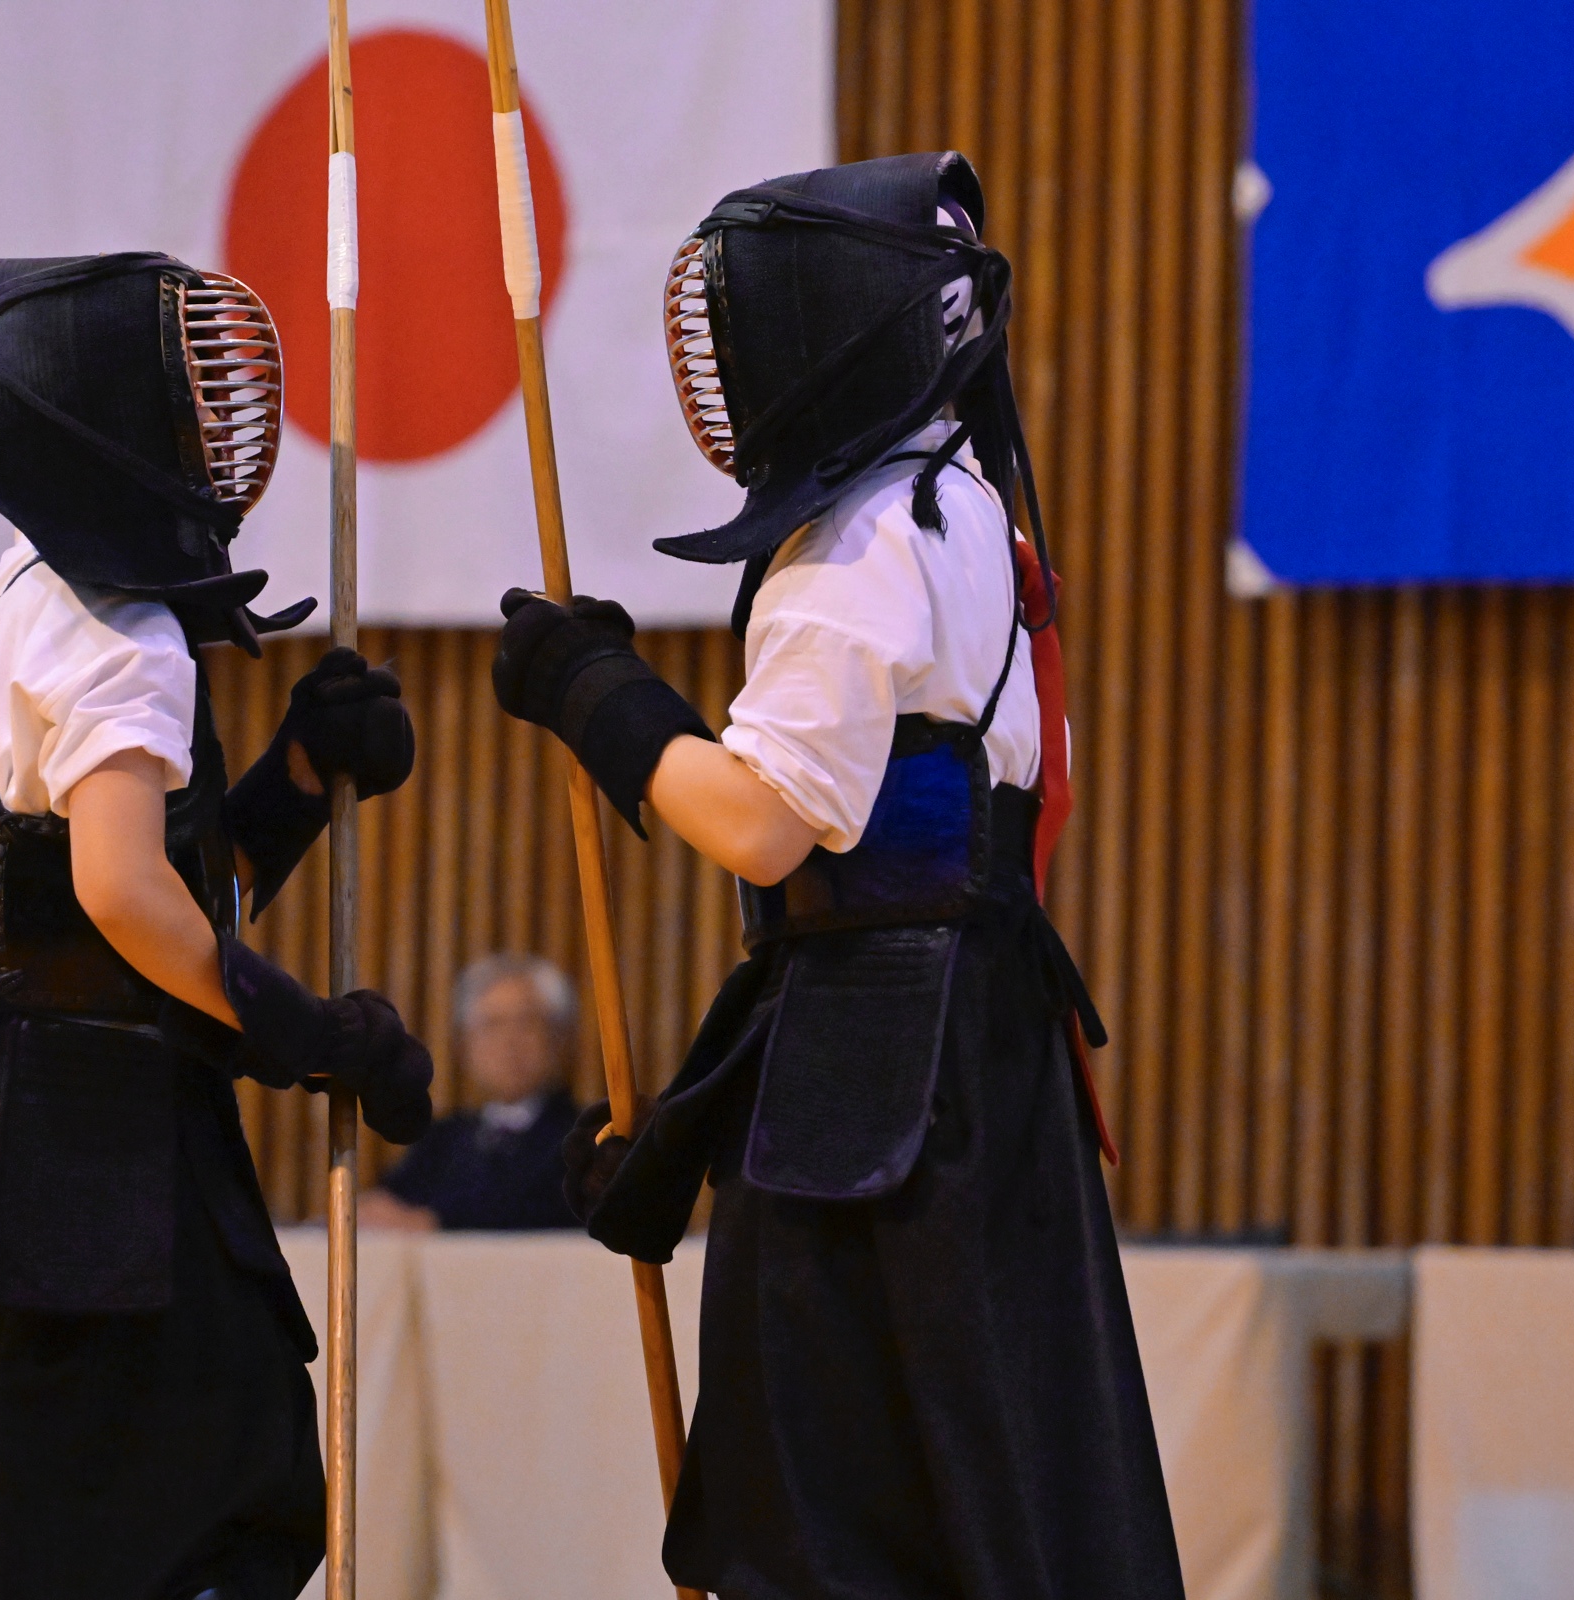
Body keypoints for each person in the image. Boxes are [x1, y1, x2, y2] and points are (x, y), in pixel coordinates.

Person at [494, 153, 1183, 1600]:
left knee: (845, 1524)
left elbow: (767, 826)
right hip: (962, 1061)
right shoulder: (967, 503)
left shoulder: (867, 533)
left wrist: (594, 695)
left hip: (895, 1089)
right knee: (987, 1497)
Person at [0, 252, 434, 1600]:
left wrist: (293, 783)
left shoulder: (18, 596)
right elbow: (119, 895)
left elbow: (80, 895)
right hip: (90, 1162)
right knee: (207, 1506)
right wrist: (313, 1037)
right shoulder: (123, 629)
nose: (215, 434)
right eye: (187, 408)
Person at [365, 954, 584, 1231]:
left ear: (559, 1038)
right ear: (464, 1044)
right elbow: (388, 1202)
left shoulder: (586, 1139)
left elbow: (546, 1212)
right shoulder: (444, 1138)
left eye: (526, 1024)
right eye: (492, 1025)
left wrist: (438, 1224)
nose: (509, 1042)